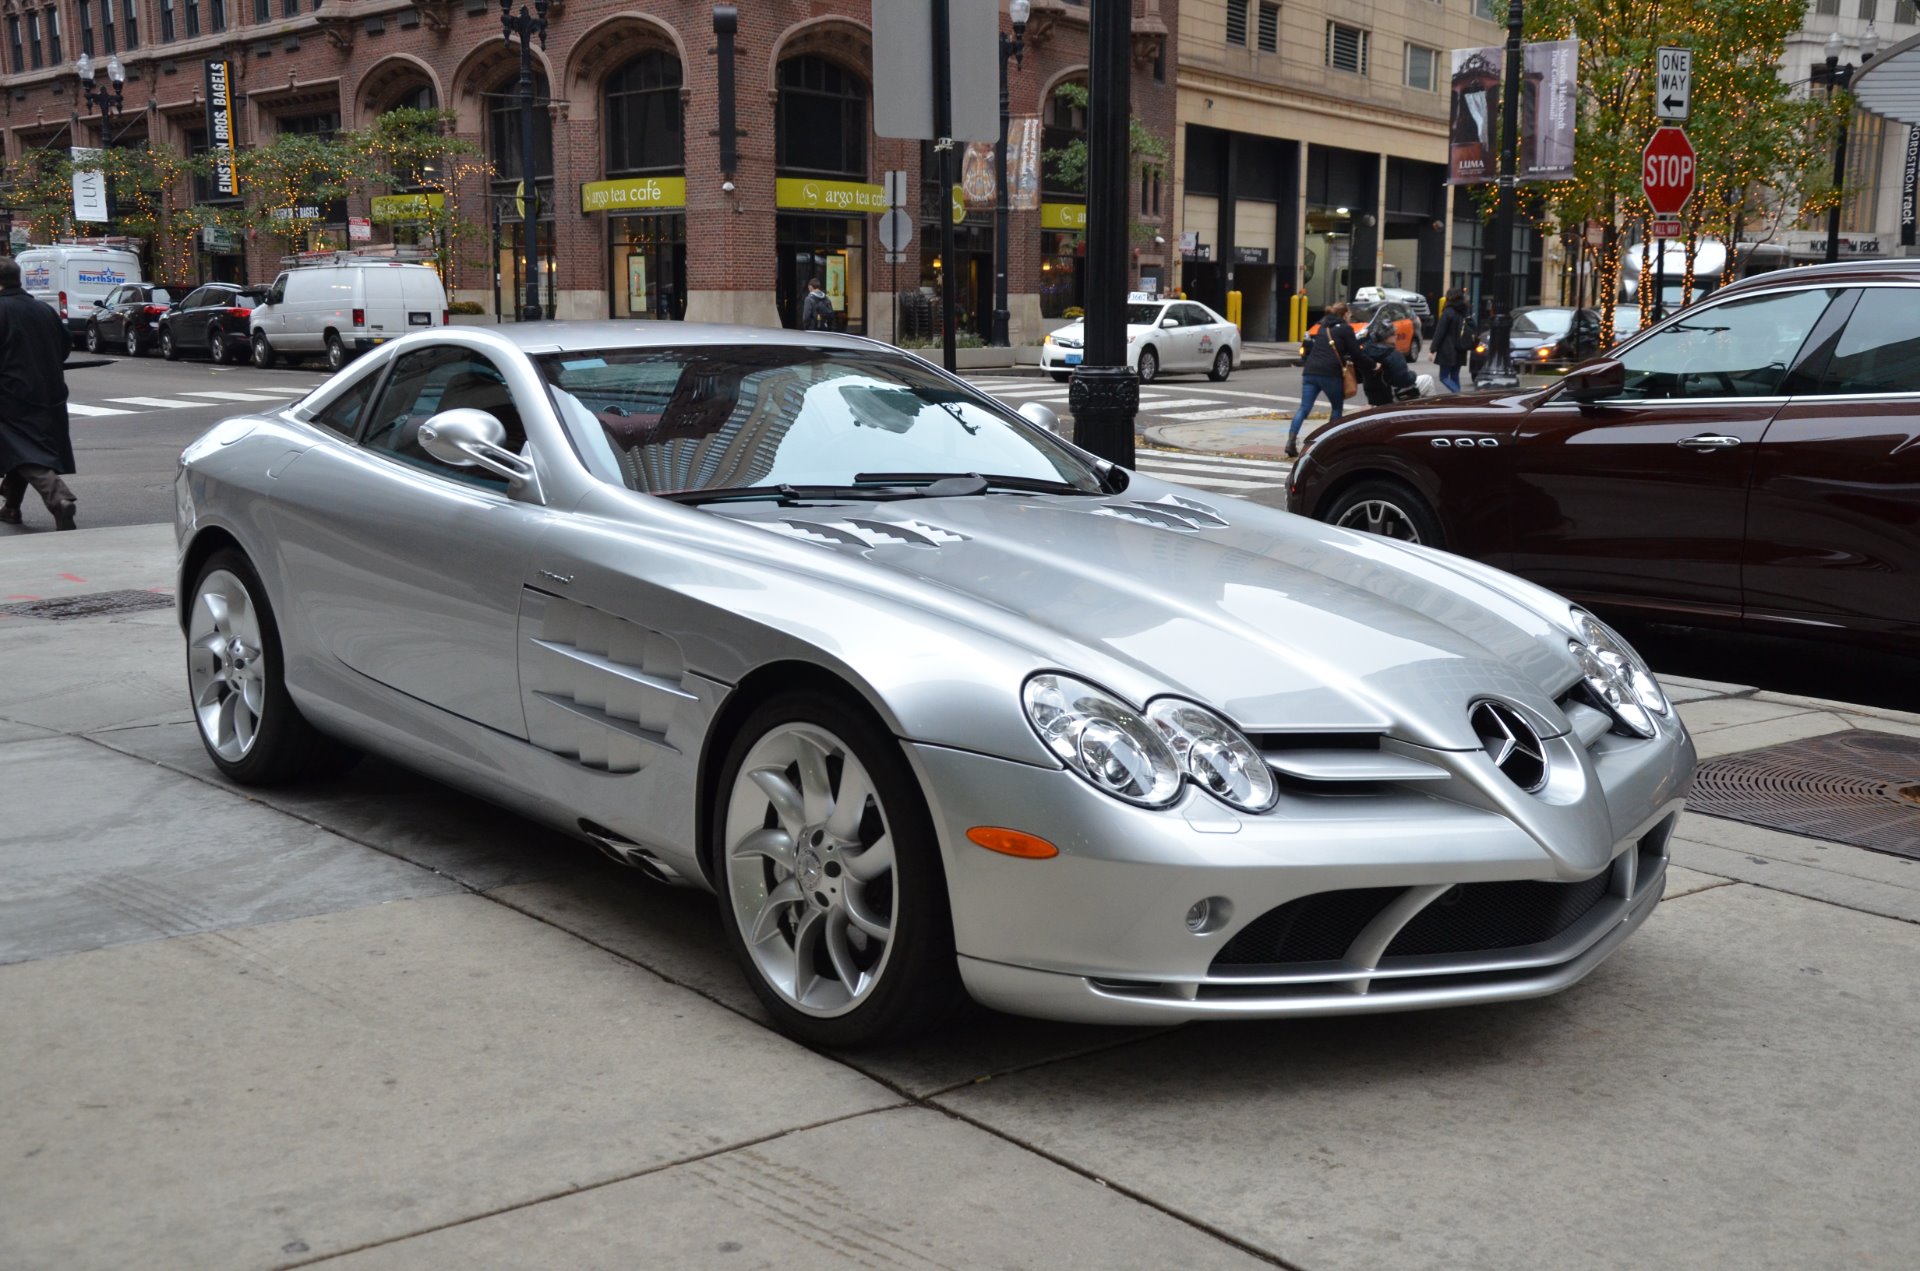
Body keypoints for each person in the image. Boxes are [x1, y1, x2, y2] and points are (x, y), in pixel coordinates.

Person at [0, 256, 77, 531]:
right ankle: (11, 507)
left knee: (24, 450)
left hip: (12, 396)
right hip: (49, 392)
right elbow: (64, 347)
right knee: (22, 447)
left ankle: (59, 498)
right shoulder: (43, 309)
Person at [1286, 301, 1370, 459]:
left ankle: (1291, 440)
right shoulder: (1346, 328)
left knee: (1304, 408)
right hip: (1329, 373)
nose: (1350, 317)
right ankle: (1330, 444)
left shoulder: (1323, 327)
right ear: (1345, 314)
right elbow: (1356, 353)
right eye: (1349, 314)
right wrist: (1372, 365)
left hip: (1310, 371)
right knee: (1337, 408)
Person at [1359, 321, 1419, 406]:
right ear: (1386, 336)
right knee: (1427, 380)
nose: (1396, 335)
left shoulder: (1365, 352)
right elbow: (1403, 381)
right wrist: (1413, 375)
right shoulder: (1392, 354)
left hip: (1372, 396)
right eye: (1393, 334)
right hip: (1392, 396)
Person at [1432, 288, 1469, 393]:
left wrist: (1432, 349)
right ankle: (1458, 398)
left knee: (1443, 377)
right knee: (1454, 375)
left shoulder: (1448, 312)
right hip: (1461, 349)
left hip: (1447, 350)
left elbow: (1440, 332)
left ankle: (1459, 395)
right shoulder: (1464, 312)